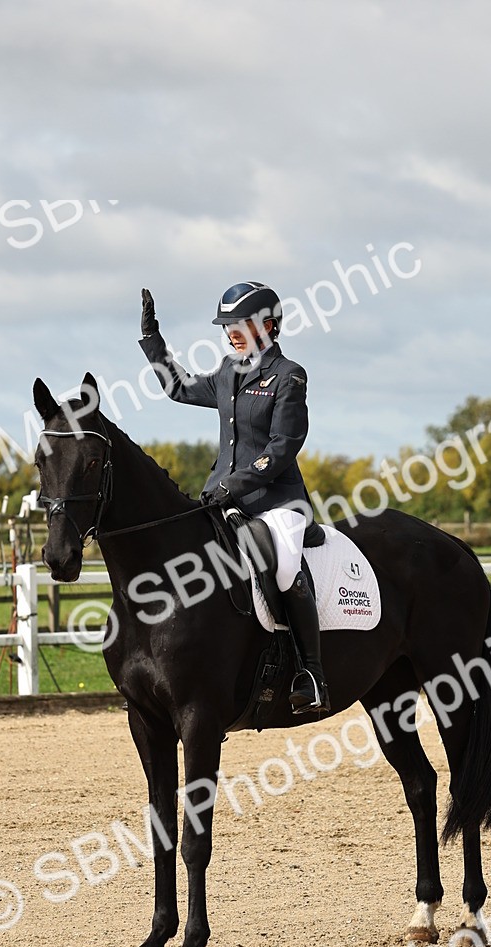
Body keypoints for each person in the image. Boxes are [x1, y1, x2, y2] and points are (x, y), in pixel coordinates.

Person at [138, 281, 329, 715]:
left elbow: (283, 446)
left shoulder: (288, 376)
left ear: (268, 324)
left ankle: (312, 674)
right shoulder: (228, 371)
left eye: (239, 324)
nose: (231, 333)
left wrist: (237, 484)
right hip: (221, 498)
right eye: (228, 326)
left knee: (283, 569)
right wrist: (153, 341)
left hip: (276, 501)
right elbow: (179, 387)